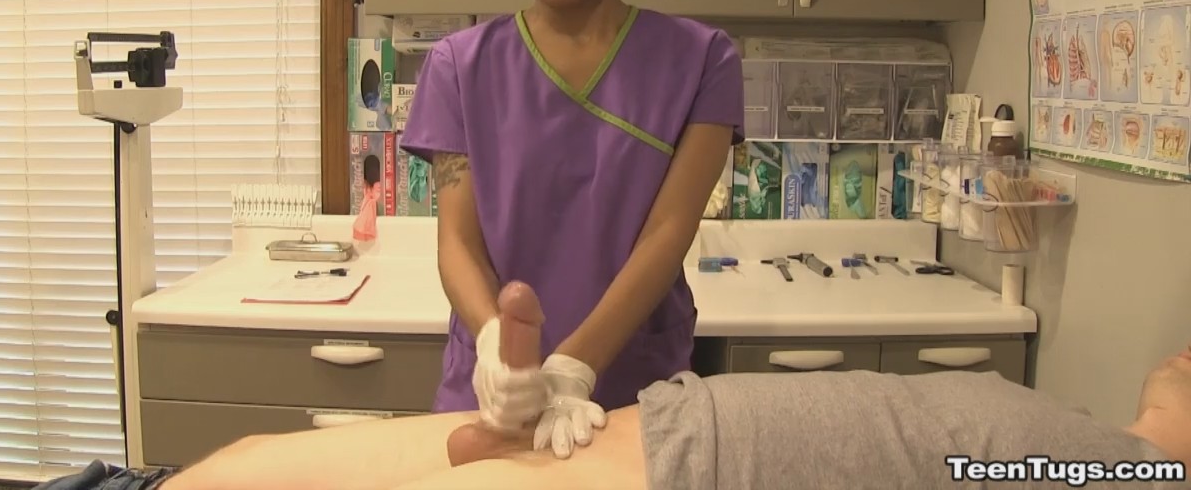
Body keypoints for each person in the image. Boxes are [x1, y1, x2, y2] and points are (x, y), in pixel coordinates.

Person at [396, 0, 745, 458]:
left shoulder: (702, 60)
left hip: (636, 386)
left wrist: (574, 365)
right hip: (496, 389)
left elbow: (667, 234)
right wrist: (498, 348)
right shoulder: (457, 67)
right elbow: (458, 242)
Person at [149, 284, 1191, 490]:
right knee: (243, 463)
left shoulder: (1115, 470)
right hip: (664, 424)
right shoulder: (1080, 449)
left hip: (679, 462)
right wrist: (511, 363)